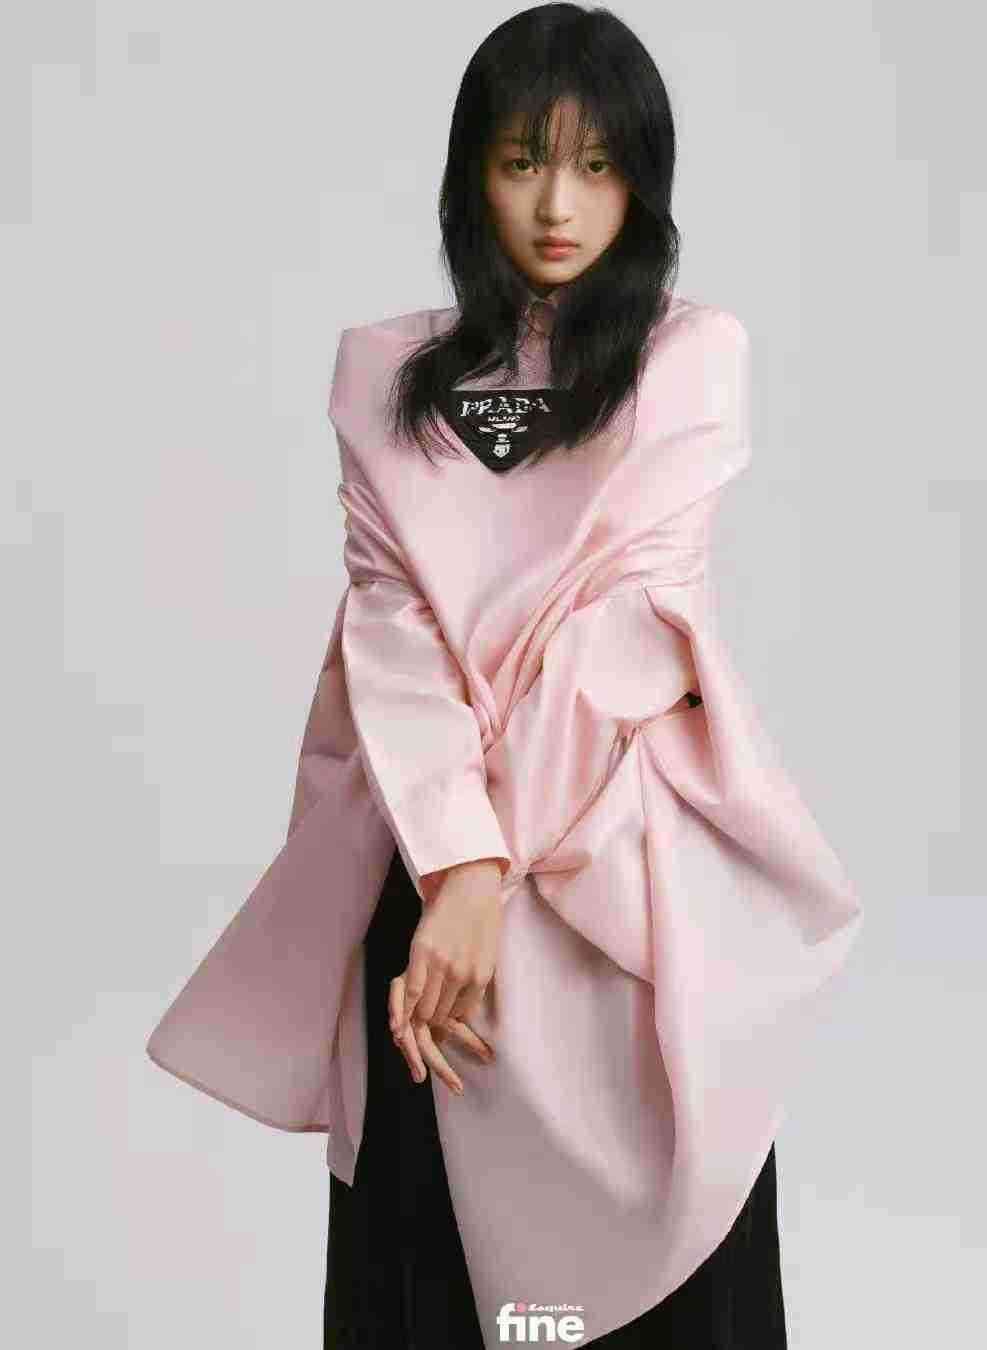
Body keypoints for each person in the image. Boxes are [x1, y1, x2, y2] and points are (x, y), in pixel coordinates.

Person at [146, 6, 863, 1347]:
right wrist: (461, 869)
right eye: (522, 159)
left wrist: (485, 870)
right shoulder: (383, 372)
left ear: (643, 183)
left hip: (619, 869)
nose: (556, 204)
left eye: (597, 165)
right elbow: (391, 634)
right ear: (470, 172)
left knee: (652, 1256)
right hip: (431, 874)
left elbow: (622, 635)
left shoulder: (690, 357)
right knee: (430, 1265)